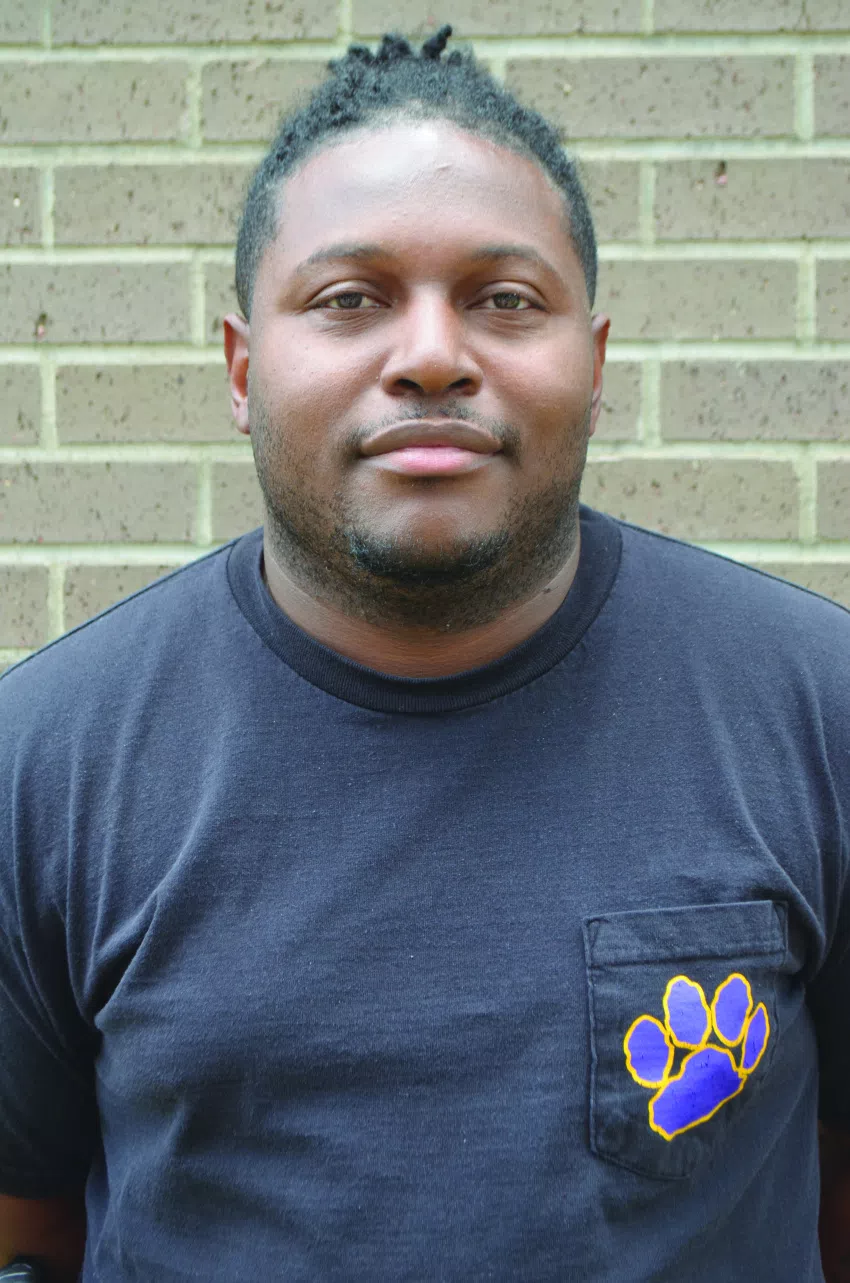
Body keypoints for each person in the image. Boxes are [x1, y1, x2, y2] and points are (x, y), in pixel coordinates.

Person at [0, 22, 848, 1282]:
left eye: (505, 300)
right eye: (350, 299)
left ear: (593, 364)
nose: (435, 355)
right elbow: (29, 1225)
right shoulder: (45, 760)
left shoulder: (816, 710)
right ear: (242, 366)